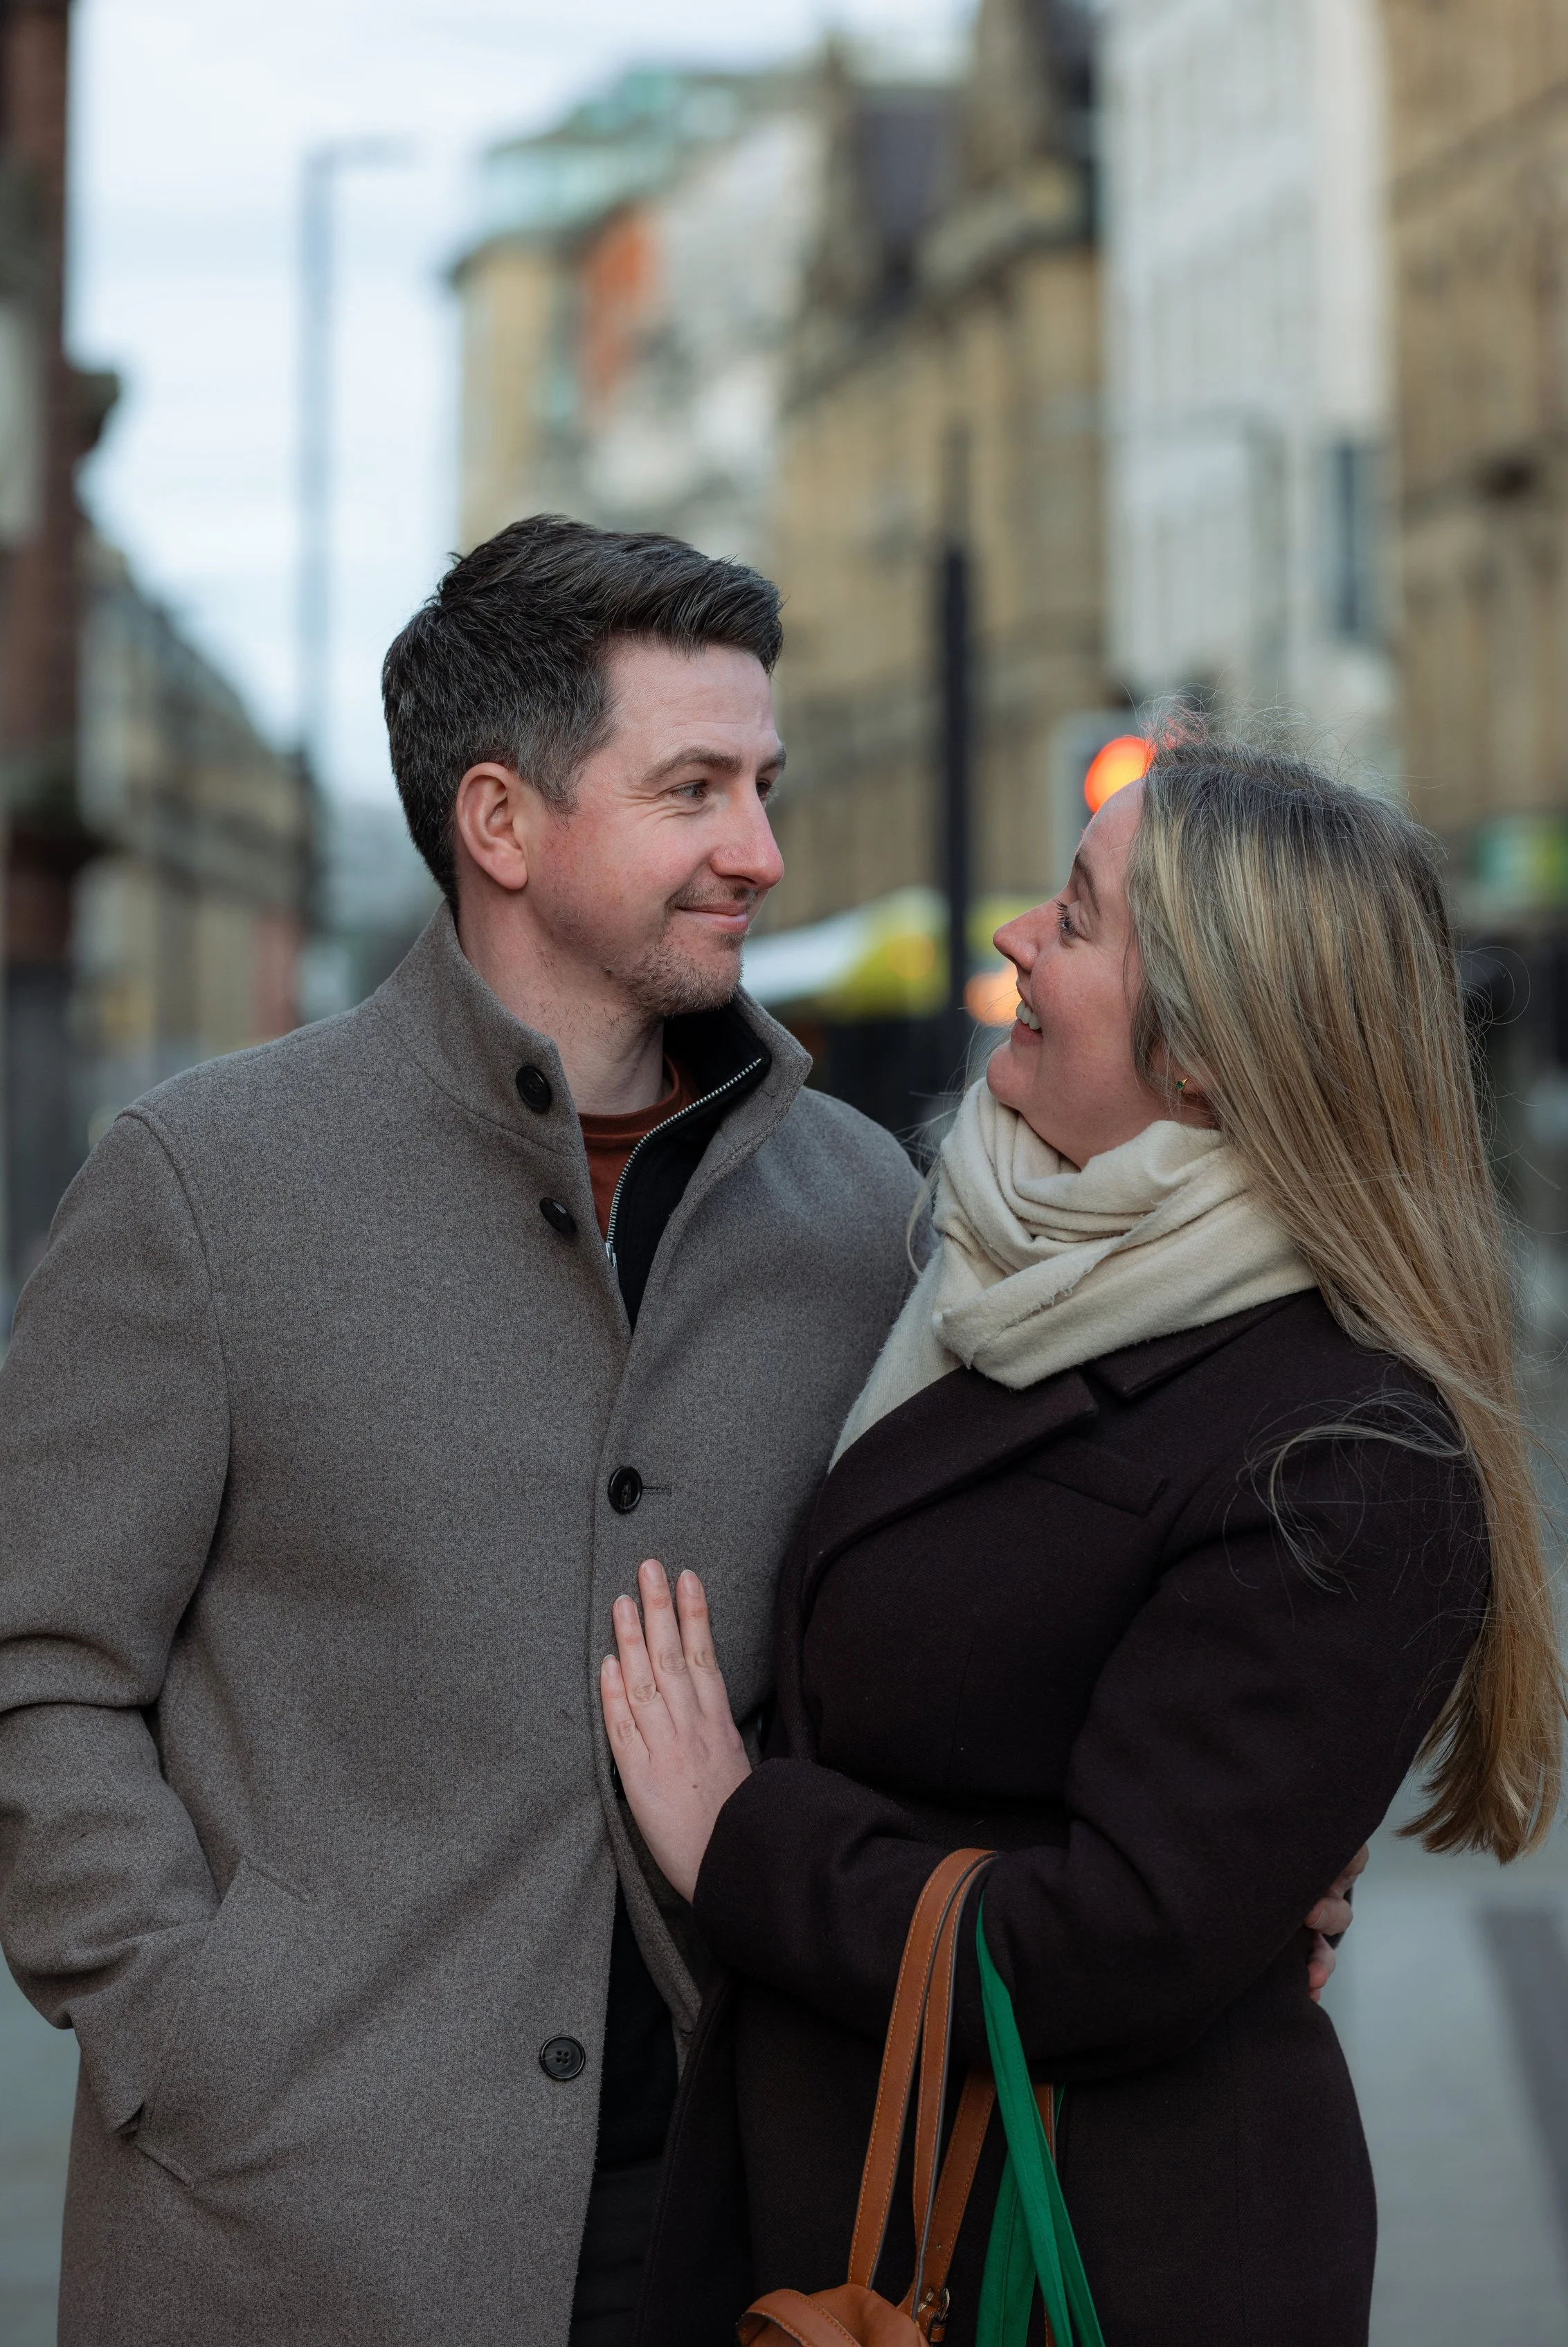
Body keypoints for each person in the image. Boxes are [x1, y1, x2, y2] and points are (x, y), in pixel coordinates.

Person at [0, 519, 928, 2347]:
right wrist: (191, 2027)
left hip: (743, 2231)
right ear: (500, 821)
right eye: (692, 789)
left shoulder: (860, 1212)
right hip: (289, 2232)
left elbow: (962, 1622)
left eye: (763, 785)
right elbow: (39, 1664)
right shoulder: (204, 1184)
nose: (759, 848)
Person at [606, 735, 1568, 2346]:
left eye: (1073, 917)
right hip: (851, 2191)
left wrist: (738, 1837)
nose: (1015, 937)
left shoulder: (1343, 1453)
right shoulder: (986, 1271)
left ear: (1204, 1054)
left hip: (1079, 2253)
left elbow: (1118, 1945)